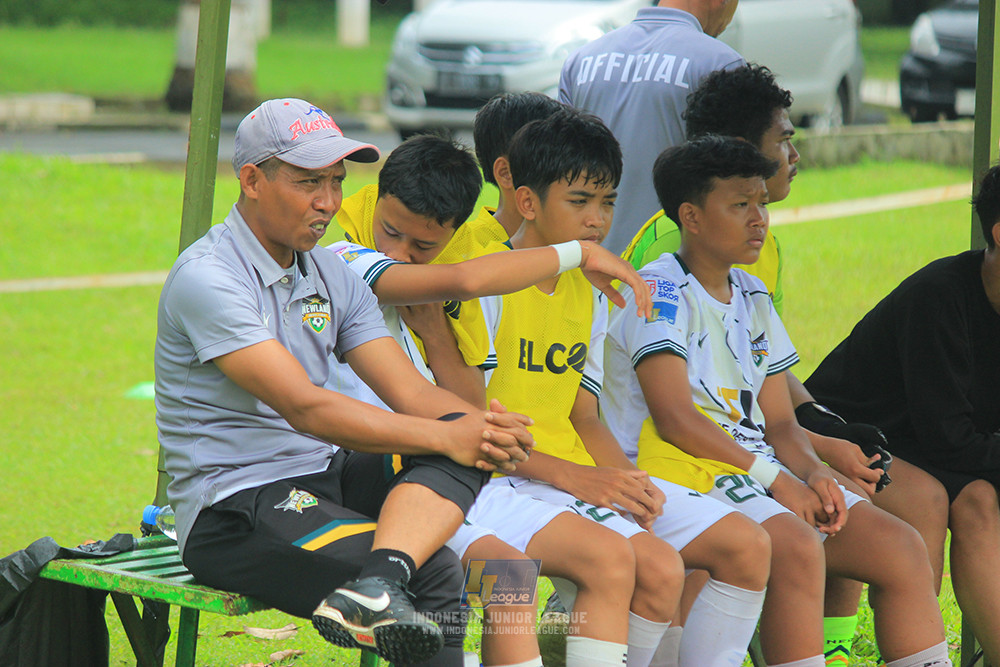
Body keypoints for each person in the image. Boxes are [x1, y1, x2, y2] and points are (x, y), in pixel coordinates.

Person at [154, 98, 535, 666]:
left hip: (322, 475)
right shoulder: (208, 278)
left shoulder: (330, 272)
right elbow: (305, 406)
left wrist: (479, 430)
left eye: (336, 181)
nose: (328, 203)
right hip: (234, 507)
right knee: (434, 572)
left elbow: (412, 394)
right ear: (252, 180)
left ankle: (375, 587)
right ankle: (381, 584)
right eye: (309, 182)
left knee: (464, 439)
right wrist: (444, 436)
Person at [602, 135, 952, 667]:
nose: (759, 219)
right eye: (740, 205)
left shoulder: (752, 293)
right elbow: (675, 421)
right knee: (796, 544)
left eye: (762, 203)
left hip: (754, 471)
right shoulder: (658, 292)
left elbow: (781, 423)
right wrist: (782, 483)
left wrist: (814, 475)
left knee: (900, 548)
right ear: (691, 217)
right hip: (680, 470)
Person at [323, 132, 659, 667]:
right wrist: (579, 253)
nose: (398, 254)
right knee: (511, 578)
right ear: (376, 200)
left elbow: (464, 401)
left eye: (422, 247)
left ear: (452, 235)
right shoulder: (344, 258)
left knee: (569, 567)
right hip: (364, 479)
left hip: (433, 474)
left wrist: (435, 332)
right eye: (389, 231)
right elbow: (465, 279)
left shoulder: (435, 291)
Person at [468, 109, 772, 667]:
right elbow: (475, 431)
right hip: (497, 479)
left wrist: (628, 484)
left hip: (565, 473)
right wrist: (584, 479)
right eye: (579, 201)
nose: (597, 220)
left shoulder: (592, 290)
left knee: (720, 550)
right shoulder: (487, 281)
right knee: (626, 563)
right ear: (529, 203)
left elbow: (584, 417)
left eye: (606, 202)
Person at [803, 163, 1000, 663]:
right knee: (929, 502)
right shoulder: (942, 296)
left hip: (927, 442)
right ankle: (892, 651)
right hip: (840, 432)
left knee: (977, 500)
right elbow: (949, 439)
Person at [558, 0, 744, 254]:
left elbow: (556, 171)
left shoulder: (580, 61)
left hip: (587, 264)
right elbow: (739, 181)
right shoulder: (721, 63)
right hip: (675, 272)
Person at [470, 91, 568, 243]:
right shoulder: (462, 253)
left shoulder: (575, 252)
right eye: (552, 161)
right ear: (506, 173)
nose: (569, 174)